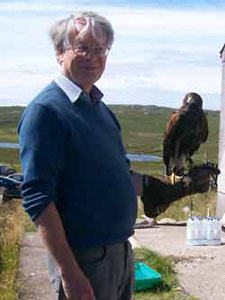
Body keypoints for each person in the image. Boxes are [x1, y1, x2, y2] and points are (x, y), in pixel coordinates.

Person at [18, 11, 213, 300]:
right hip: (83, 258)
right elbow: (38, 200)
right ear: (59, 52)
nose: (92, 57)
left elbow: (117, 173)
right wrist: (70, 273)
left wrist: (164, 188)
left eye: (100, 49)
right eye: (81, 47)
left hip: (121, 251)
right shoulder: (47, 112)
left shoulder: (101, 110)